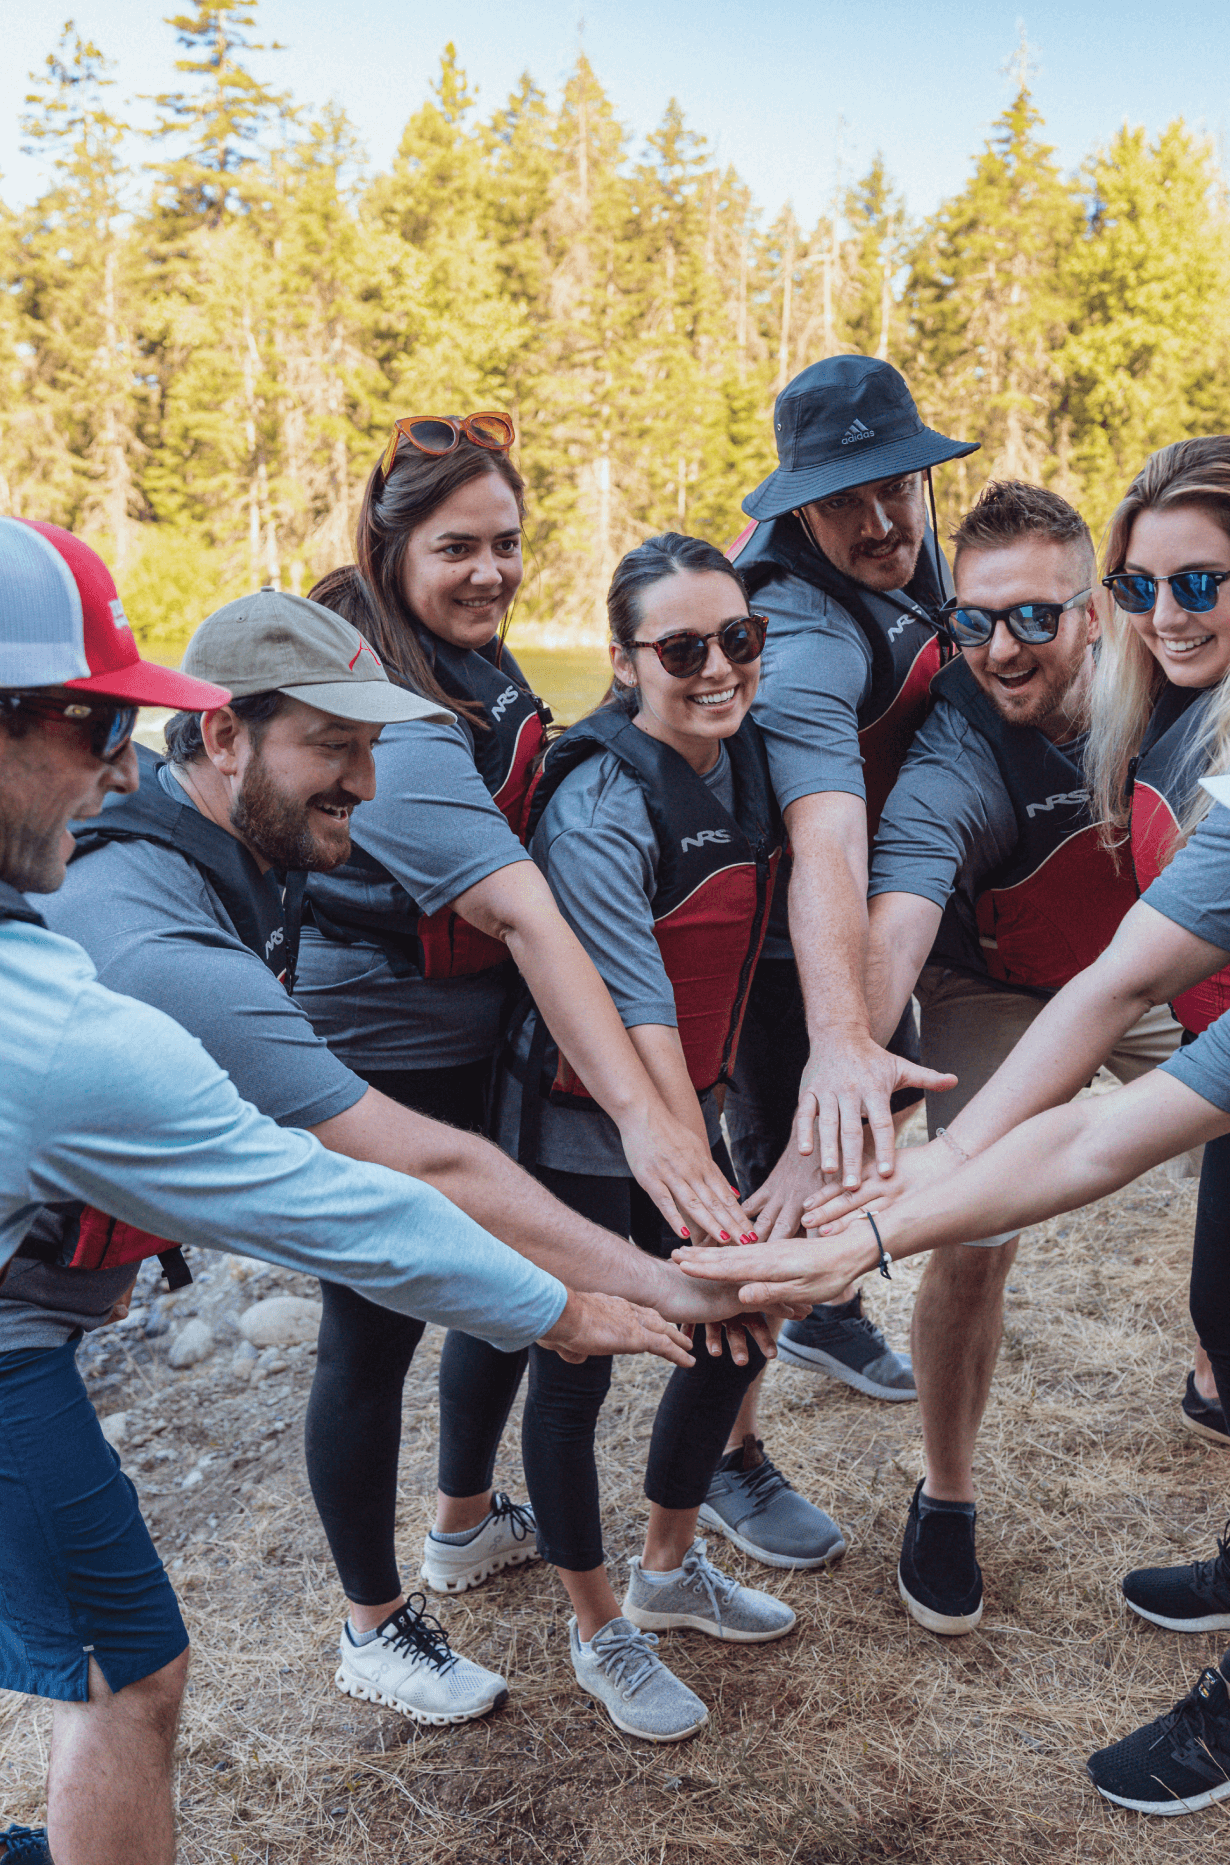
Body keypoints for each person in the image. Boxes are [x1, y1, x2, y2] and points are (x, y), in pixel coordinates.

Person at [0, 518, 697, 1865]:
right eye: (90, 719)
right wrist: (581, 1299)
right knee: (126, 1675)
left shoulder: (155, 881)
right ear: (222, 743)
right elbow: (356, 1190)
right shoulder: (126, 977)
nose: (370, 786)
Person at [691, 439, 1230, 1812]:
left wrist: (889, 1206)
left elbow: (1111, 1015)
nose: (1163, 609)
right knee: (1219, 1319)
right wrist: (852, 1099)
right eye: (1143, 581)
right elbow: (897, 888)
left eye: (1191, 581)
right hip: (1226, 1020)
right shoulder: (1080, 722)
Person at [294, 417, 761, 1713]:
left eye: (506, 542)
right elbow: (524, 910)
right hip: (382, 1043)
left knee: (499, 1281)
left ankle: (459, 1524)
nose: (491, 570)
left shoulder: (464, 653)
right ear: (388, 547)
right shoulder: (368, 686)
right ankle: (373, 1621)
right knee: (373, 1322)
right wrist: (647, 1123)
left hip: (476, 1035)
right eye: (456, 547)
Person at [485, 533, 816, 1738]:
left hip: (689, 1100)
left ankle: (668, 1567)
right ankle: (597, 1627)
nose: (719, 667)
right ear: (626, 662)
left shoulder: (749, 761)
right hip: (581, 1120)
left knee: (733, 1330)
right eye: (683, 648)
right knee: (577, 1366)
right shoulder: (596, 800)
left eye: (739, 638)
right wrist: (704, 1194)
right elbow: (636, 1008)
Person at [862, 480, 1200, 1632]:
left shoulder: (1164, 678)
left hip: (1141, 967)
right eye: (972, 620)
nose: (998, 648)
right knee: (969, 1225)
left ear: (1094, 611)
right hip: (994, 984)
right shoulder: (956, 747)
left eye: (1031, 618)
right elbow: (905, 890)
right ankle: (945, 1494)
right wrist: (854, 1057)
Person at [686, 356, 977, 1566]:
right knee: (777, 1187)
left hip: (851, 911)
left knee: (860, 1144)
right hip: (763, 934)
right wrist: (837, 1034)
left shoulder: (912, 546)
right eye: (844, 499)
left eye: (896, 486)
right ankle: (723, 1455)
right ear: (795, 507)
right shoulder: (795, 631)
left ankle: (829, 1313)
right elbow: (823, 826)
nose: (880, 520)